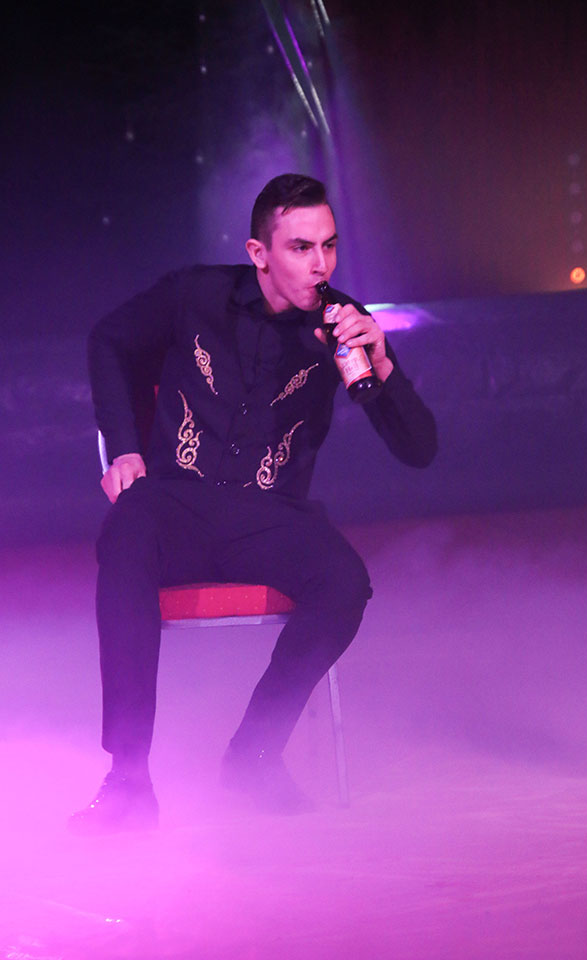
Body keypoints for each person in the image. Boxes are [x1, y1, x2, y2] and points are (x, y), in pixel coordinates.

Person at [70, 173, 437, 833]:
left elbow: (419, 449)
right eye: (301, 247)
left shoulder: (341, 326)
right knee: (125, 532)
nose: (321, 264)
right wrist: (123, 448)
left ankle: (254, 753)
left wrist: (381, 361)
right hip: (175, 504)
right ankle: (128, 777)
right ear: (259, 252)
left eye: (328, 245)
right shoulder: (195, 295)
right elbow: (108, 341)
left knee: (344, 581)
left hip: (269, 517)